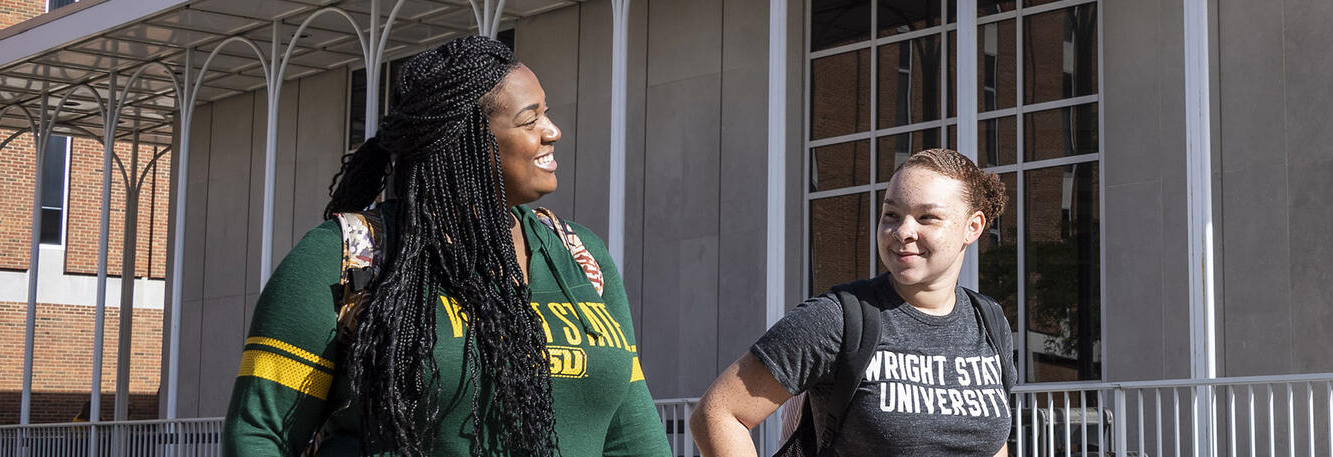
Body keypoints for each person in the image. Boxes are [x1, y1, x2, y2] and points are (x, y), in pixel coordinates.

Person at [222, 36, 670, 457]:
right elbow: (260, 434)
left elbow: (633, 436)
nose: (552, 131)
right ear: (460, 139)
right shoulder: (347, 255)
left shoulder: (580, 255)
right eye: (529, 120)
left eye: (546, 113)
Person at [690, 148, 1015, 457]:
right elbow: (718, 413)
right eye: (892, 214)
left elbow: (993, 444)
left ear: (973, 227)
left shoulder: (988, 321)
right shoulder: (836, 318)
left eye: (927, 217)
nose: (903, 231)